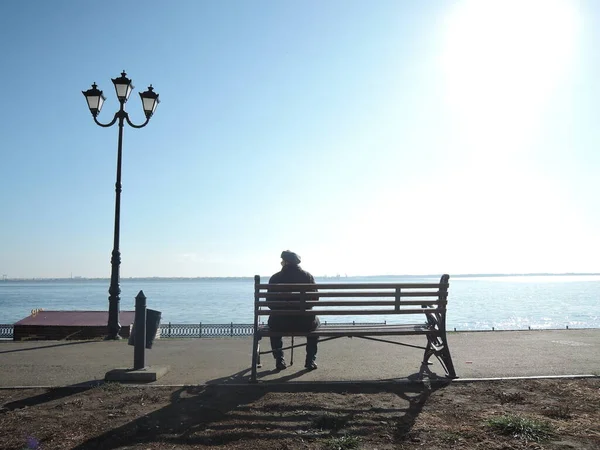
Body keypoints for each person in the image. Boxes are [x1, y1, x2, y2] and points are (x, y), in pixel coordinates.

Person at [268, 250, 320, 371]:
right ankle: (310, 360)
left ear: (286, 262)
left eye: (282, 261)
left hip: (280, 324)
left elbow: (270, 303)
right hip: (304, 323)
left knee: (273, 322)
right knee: (316, 323)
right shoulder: (308, 276)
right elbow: (315, 299)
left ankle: (279, 359)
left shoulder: (275, 278)